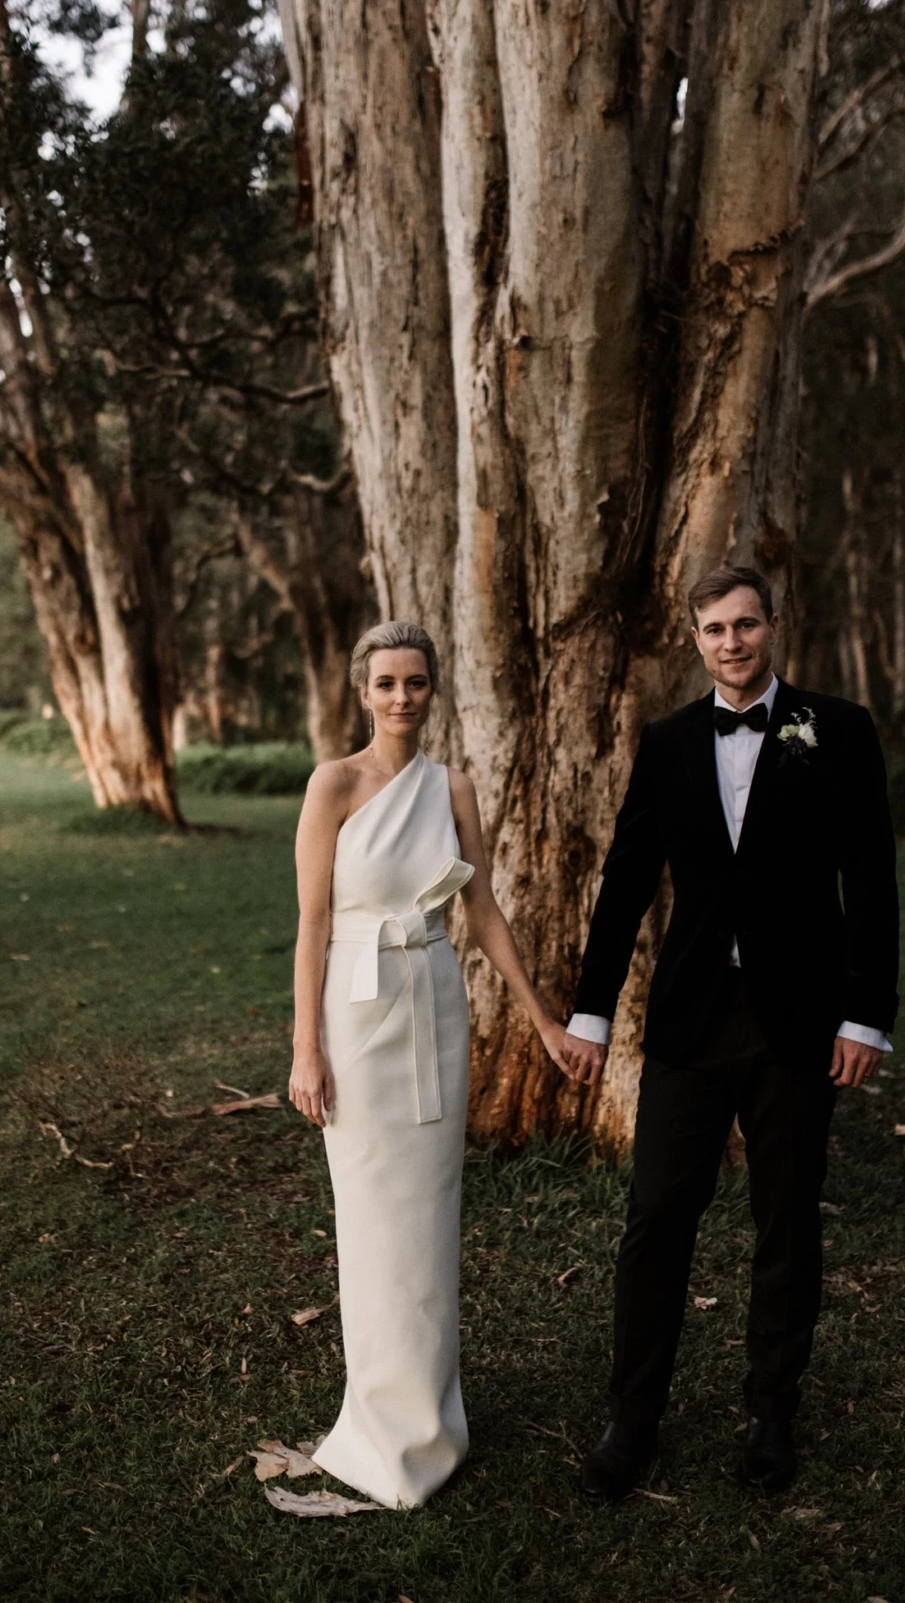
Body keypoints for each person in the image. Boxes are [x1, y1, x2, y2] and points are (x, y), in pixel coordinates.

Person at [562, 565, 899, 1500]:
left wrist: (867, 1014)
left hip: (800, 1022)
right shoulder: (667, 741)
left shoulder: (837, 729)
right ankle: (633, 1419)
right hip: (692, 1021)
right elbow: (627, 881)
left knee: (786, 1219)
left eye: (747, 624)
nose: (733, 642)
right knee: (657, 1218)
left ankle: (770, 1415)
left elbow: (870, 879)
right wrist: (589, 1013)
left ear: (775, 628)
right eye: (715, 629)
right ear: (696, 640)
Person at [287, 620, 574, 1509]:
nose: (402, 698)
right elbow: (310, 923)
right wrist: (305, 1046)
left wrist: (543, 1021)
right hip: (355, 1011)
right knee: (370, 1221)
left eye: (416, 682)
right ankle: (376, 1429)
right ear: (361, 692)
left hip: (435, 1006)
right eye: (386, 684)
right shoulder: (333, 783)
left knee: (428, 1220)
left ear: (432, 688)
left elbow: (480, 910)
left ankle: (434, 1427)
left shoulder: (453, 785)